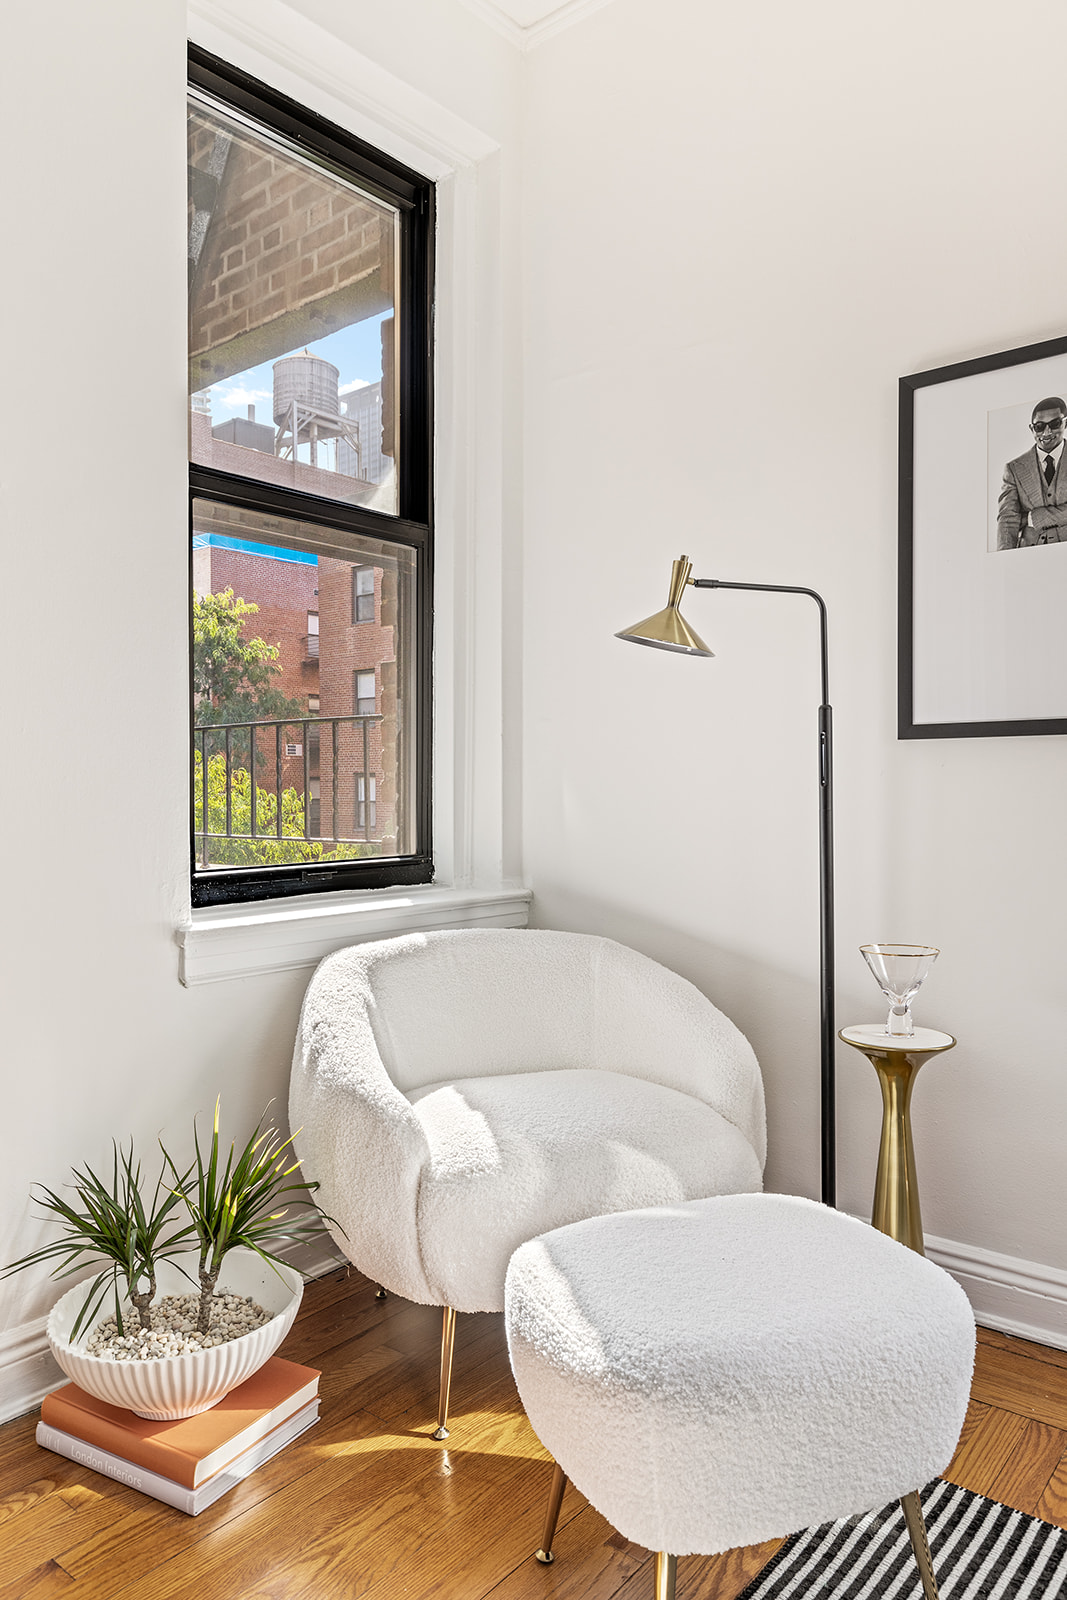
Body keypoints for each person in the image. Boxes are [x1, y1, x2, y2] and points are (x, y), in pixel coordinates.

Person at [997, 397, 1067, 549]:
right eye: (1039, 427)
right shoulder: (1013, 468)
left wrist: (1032, 518)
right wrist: (1003, 564)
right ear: (1031, 429)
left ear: (1065, 423)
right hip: (1029, 555)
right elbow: (1007, 519)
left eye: (1055, 424)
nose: (1047, 432)